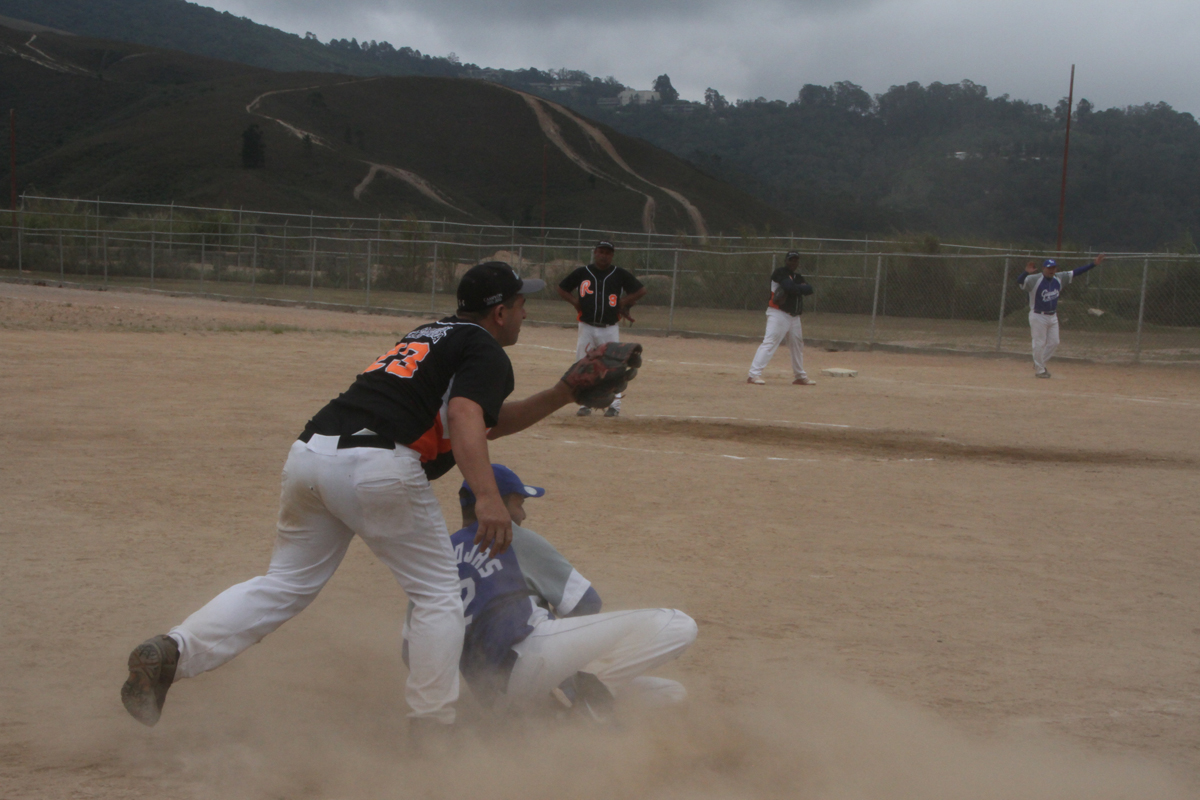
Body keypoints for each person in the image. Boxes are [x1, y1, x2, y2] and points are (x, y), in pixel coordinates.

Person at [120, 262, 585, 734]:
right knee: (439, 595)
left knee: (283, 584)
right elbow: (467, 414)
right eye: (522, 303)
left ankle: (174, 651)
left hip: (312, 454)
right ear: (500, 313)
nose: (527, 312)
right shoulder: (485, 349)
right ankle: (433, 729)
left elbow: (481, 419)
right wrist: (487, 495)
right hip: (378, 463)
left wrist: (563, 393)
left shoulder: (431, 335)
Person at [405, 464, 696, 718]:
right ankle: (589, 707)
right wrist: (568, 667)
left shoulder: (439, 554)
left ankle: (564, 720)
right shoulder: (508, 535)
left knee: (668, 691)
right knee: (676, 623)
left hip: (492, 696)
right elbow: (586, 603)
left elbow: (411, 648)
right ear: (500, 504)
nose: (523, 514)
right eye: (519, 503)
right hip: (531, 659)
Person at [557, 241, 647, 418]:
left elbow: (640, 290)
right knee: (583, 364)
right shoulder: (583, 272)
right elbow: (562, 288)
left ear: (612, 255)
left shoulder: (618, 273)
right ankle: (585, 404)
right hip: (587, 326)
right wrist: (574, 301)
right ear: (595, 253)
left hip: (609, 327)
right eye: (601, 251)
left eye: (607, 252)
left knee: (614, 365)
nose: (604, 255)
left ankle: (615, 405)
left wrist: (624, 302)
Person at [1018, 254, 1105, 378]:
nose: (1051, 270)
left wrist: (1093, 264)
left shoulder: (1059, 278)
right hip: (1038, 315)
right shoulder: (1034, 279)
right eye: (1049, 268)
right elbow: (1020, 282)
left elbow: (1076, 272)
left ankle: (1039, 364)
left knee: (1054, 342)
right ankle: (1040, 370)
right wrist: (1025, 273)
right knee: (1039, 342)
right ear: (1043, 268)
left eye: (1053, 268)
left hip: (1052, 316)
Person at [747, 251, 815, 386]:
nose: (793, 262)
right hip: (778, 314)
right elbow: (788, 286)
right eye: (791, 260)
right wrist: (798, 288)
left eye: (796, 260)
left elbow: (809, 289)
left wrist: (797, 288)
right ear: (786, 261)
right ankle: (753, 375)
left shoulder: (797, 276)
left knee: (797, 346)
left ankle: (800, 376)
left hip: (794, 317)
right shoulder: (780, 273)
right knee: (770, 342)